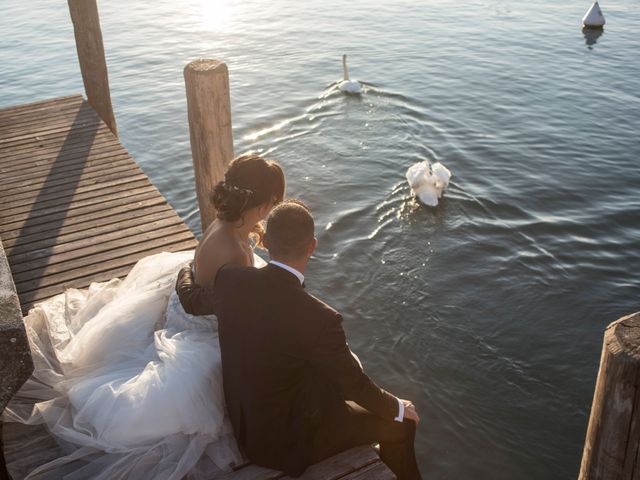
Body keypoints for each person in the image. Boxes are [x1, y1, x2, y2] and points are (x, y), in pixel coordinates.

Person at [3, 154, 285, 480]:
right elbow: (235, 310)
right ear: (261, 204)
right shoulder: (232, 249)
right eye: (271, 202)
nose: (270, 210)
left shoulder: (224, 226)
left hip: (195, 303)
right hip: (200, 323)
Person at [176, 200, 423, 480]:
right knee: (402, 425)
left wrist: (185, 268)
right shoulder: (321, 318)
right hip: (287, 446)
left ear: (265, 242)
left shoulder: (231, 280)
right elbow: (355, 385)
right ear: (312, 246)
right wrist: (398, 406)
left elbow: (190, 299)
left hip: (246, 428)